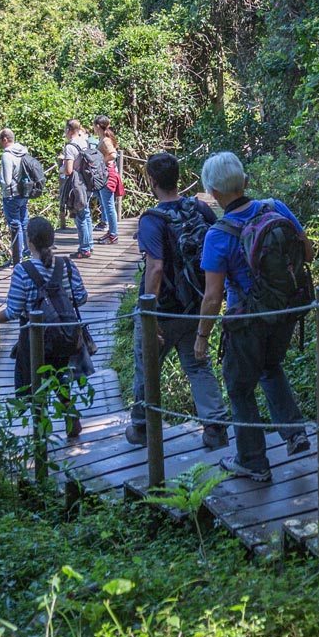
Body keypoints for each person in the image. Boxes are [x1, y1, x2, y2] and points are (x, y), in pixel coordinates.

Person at [192, 151, 311, 482]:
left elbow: (213, 296)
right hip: (286, 311)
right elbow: (307, 252)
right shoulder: (275, 208)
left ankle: (253, 460)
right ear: (245, 182)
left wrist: (202, 337)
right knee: (271, 368)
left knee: (240, 387)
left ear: (213, 193)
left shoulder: (218, 234)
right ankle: (295, 433)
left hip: (247, 321)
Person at [124, 152, 228, 450]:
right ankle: (216, 427)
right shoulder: (199, 209)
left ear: (152, 181)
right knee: (197, 364)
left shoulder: (152, 220)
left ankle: (142, 426)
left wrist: (151, 314)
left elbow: (155, 268)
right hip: (195, 305)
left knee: (147, 365)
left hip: (164, 309)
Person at [4, 216, 92, 439]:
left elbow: (12, 311)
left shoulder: (22, 271)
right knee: (61, 375)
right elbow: (80, 297)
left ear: (30, 242)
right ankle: (70, 416)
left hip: (35, 337)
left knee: (34, 381)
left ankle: (41, 431)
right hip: (65, 335)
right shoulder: (67, 265)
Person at [0, 128, 37, 265]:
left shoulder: (7, 155)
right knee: (24, 223)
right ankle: (27, 252)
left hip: (11, 195)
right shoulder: (23, 151)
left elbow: (6, 181)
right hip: (24, 192)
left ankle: (17, 258)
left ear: (5, 139)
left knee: (15, 226)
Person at [59, 119, 95, 258]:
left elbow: (68, 170)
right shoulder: (84, 141)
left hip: (78, 183)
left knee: (80, 216)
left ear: (68, 130)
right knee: (86, 214)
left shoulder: (70, 147)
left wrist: (60, 169)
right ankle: (89, 244)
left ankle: (84, 248)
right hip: (88, 180)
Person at [91, 115, 122, 245]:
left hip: (107, 175)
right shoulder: (103, 138)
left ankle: (113, 234)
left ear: (97, 126)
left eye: (93, 125)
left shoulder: (105, 140)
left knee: (109, 206)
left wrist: (101, 162)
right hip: (105, 174)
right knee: (106, 204)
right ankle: (110, 232)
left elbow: (113, 154)